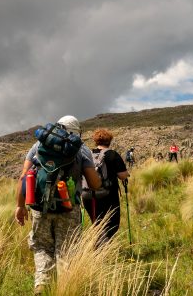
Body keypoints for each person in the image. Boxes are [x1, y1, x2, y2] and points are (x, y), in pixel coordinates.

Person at [15, 115, 101, 295]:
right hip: (68, 208)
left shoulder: (38, 146)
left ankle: (42, 285)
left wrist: (20, 206)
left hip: (39, 208)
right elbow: (94, 184)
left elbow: (24, 177)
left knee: (41, 246)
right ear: (75, 132)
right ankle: (66, 288)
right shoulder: (81, 149)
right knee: (67, 249)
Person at [82, 129, 130, 245]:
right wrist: (126, 174)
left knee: (97, 223)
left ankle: (96, 249)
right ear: (109, 140)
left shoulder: (88, 155)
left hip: (88, 195)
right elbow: (122, 176)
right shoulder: (112, 155)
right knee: (111, 223)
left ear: (95, 141)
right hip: (108, 196)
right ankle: (103, 252)